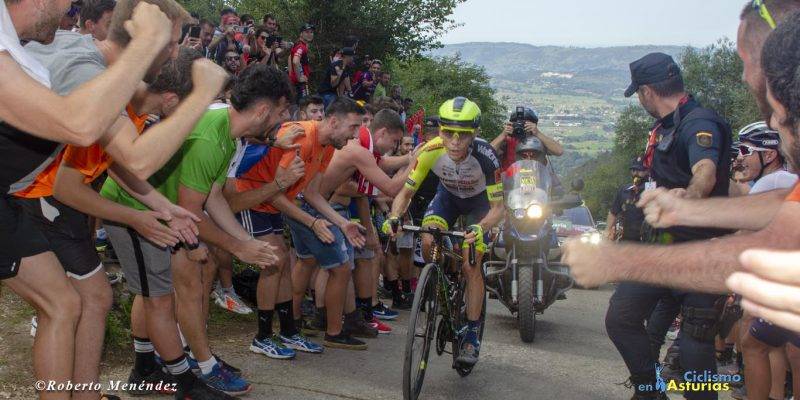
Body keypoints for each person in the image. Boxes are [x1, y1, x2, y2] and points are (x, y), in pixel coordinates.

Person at [563, 1, 800, 319]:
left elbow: (765, 246)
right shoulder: (669, 125)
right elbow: (785, 206)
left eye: (748, 62)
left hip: (689, 247)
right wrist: (687, 208)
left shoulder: (697, 122)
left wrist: (617, 261)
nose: (744, 77)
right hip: (671, 238)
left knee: (699, 338)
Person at [0, 1, 175, 398]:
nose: (71, 10)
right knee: (72, 302)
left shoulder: (39, 44)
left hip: (10, 198)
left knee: (64, 304)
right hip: (38, 199)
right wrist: (148, 44)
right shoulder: (79, 62)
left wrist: (161, 207)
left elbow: (121, 158)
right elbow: (83, 129)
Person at [99, 64, 291, 398]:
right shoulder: (211, 137)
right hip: (134, 209)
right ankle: (188, 373)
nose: (283, 119)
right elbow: (193, 213)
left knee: (160, 290)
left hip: (164, 212)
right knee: (161, 294)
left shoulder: (228, 133)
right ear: (262, 110)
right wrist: (238, 247)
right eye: (281, 110)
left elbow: (213, 198)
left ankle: (150, 367)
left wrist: (247, 242)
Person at [565, 51, 733, 400]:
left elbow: (705, 172)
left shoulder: (698, 123)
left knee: (695, 347)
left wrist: (689, 197)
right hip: (660, 248)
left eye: (638, 94)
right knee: (621, 318)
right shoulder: (666, 126)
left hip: (700, 253)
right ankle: (651, 390)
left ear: (647, 91)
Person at [237, 97, 367, 350]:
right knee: (275, 262)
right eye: (353, 127)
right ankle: (262, 337)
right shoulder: (303, 138)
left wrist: (342, 223)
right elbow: (275, 191)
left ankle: (288, 331)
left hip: (272, 203)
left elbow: (311, 193)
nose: (354, 135)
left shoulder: (328, 146)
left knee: (285, 264)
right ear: (333, 122)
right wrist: (312, 222)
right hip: (252, 197)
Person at [384, 97, 504, 368]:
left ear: (475, 133)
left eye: (463, 135)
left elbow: (498, 209)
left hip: (479, 205)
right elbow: (405, 193)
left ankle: (471, 333)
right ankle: (443, 277)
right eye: (448, 133)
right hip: (447, 198)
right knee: (428, 240)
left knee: (471, 263)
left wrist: (481, 227)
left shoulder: (486, 157)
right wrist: (394, 217)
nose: (455, 142)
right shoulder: (430, 150)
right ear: (440, 131)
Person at [729, 122, 799, 400]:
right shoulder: (782, 179)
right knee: (780, 346)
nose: (740, 157)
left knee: (756, 343)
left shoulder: (772, 182)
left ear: (769, 154)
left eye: (746, 151)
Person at [491, 107, 564, 170]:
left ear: (534, 124)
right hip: (512, 179)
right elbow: (487, 153)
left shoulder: (538, 141)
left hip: (537, 178)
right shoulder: (507, 141)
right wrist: (503, 135)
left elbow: (559, 151)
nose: (521, 127)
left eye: (525, 124)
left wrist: (538, 133)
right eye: (518, 124)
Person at [607, 156, 649, 242]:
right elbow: (613, 212)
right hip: (626, 240)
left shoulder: (652, 190)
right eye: (633, 170)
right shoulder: (624, 190)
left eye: (639, 170)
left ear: (646, 171)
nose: (636, 173)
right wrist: (607, 230)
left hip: (646, 241)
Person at [289, 23, 314, 102]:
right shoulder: (301, 47)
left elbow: (290, 58)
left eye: (311, 32)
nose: (309, 34)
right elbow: (295, 61)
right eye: (307, 32)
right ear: (301, 34)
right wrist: (299, 78)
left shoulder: (299, 45)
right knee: (303, 106)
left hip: (295, 84)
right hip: (299, 85)